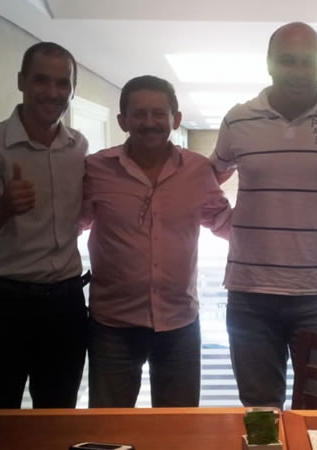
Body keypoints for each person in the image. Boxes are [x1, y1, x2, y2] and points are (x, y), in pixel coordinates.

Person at [210, 22, 317, 408]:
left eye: (307, 60)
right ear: (269, 63)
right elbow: (206, 177)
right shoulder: (238, 119)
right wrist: (223, 222)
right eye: (287, 60)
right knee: (260, 412)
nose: (298, 70)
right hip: (250, 294)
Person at [80, 75, 231, 408]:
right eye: (139, 114)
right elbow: (69, 225)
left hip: (179, 324)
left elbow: (223, 222)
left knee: (178, 427)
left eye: (159, 113)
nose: (150, 122)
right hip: (112, 326)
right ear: (123, 121)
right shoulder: (96, 169)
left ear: (175, 119)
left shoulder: (197, 170)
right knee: (109, 427)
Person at [0, 42, 89, 409]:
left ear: (72, 89)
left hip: (66, 302)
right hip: (6, 303)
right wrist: (3, 207)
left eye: (63, 83)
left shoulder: (79, 147)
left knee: (58, 415)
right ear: (21, 81)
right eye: (41, 80)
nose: (53, 92)